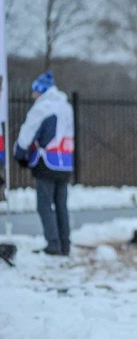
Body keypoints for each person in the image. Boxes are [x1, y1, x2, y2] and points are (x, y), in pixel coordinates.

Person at [14, 71, 74, 256]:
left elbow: (27, 133)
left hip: (46, 161)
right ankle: (65, 244)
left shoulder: (42, 107)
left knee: (44, 205)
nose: (33, 96)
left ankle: (53, 245)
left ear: (40, 90)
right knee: (61, 204)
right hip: (65, 162)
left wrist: (20, 154)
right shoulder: (65, 106)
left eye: (34, 92)